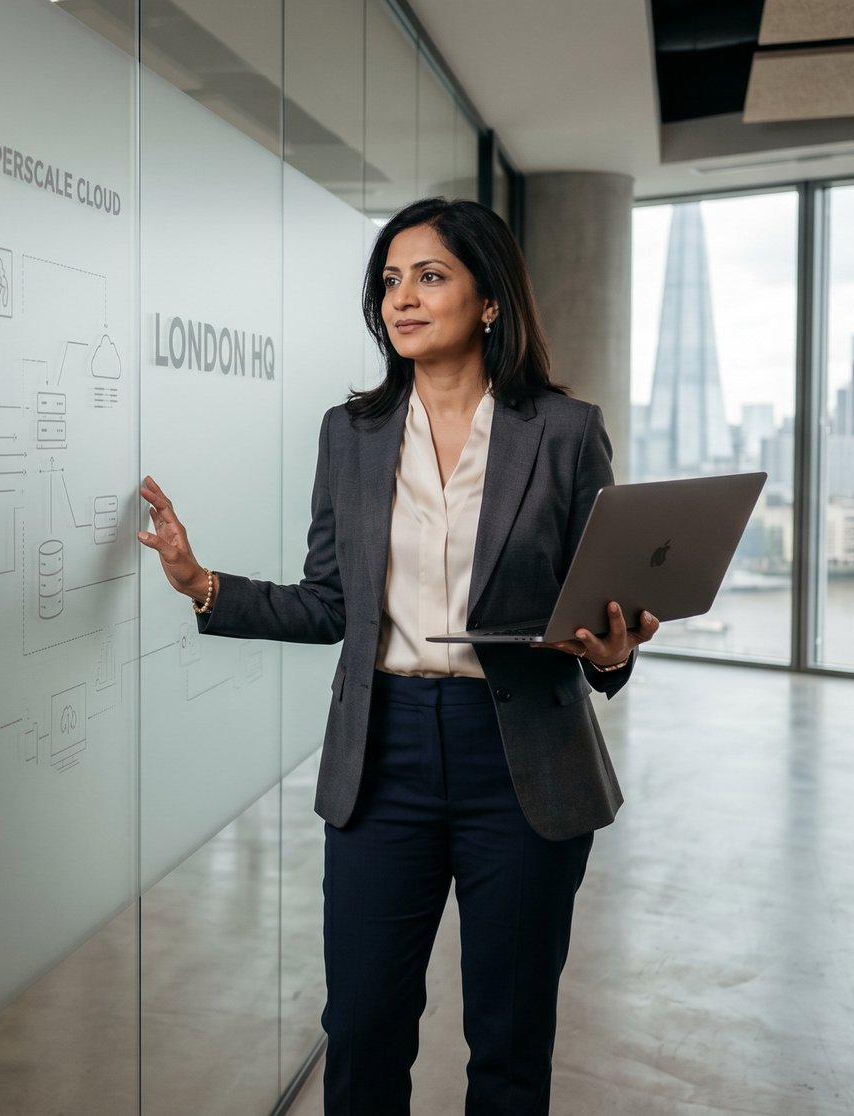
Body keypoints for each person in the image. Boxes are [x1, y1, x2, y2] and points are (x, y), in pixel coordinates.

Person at [137, 197, 660, 1115]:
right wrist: (200, 583)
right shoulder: (354, 433)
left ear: (489, 299)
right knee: (366, 1031)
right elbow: (331, 603)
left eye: (430, 276)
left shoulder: (565, 431)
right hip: (385, 755)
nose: (402, 299)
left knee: (510, 1043)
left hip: (523, 761)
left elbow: (600, 603)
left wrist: (612, 652)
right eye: (389, 280)